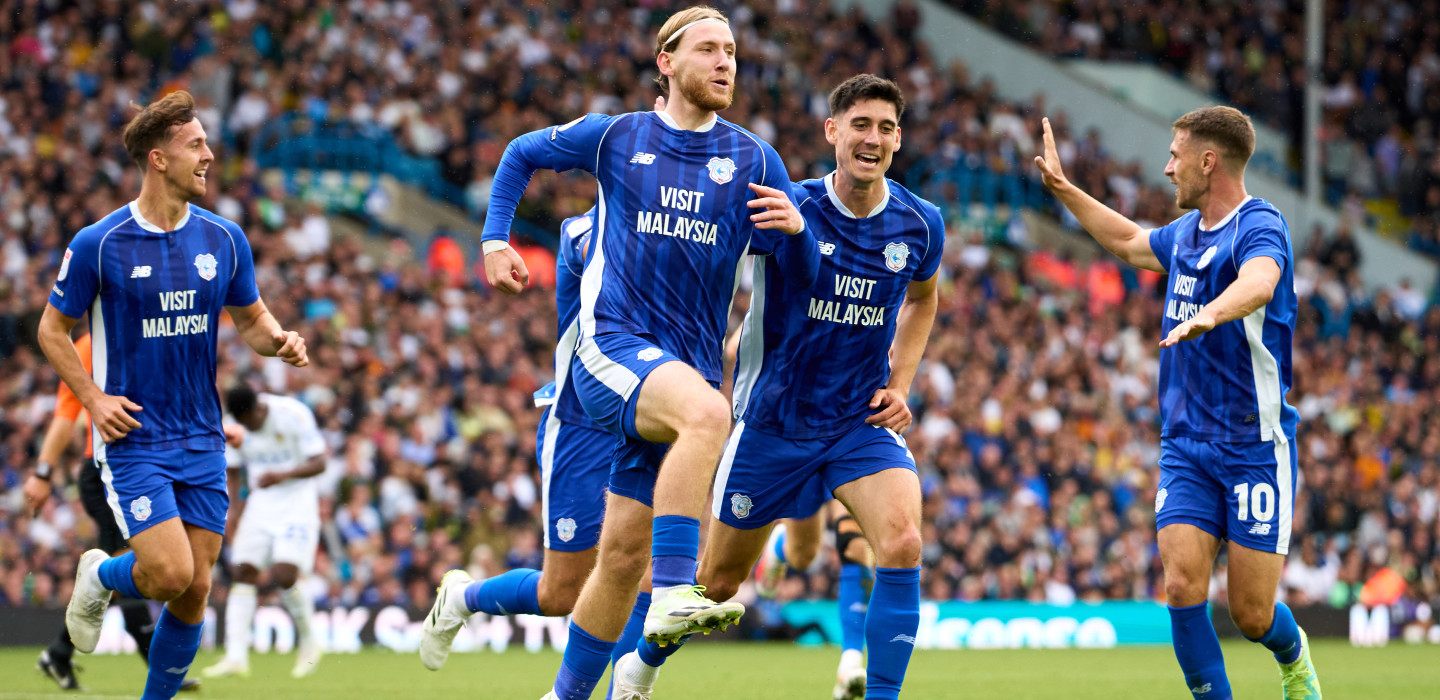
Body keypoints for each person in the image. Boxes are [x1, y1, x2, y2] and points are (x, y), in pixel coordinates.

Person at [419, 8, 819, 700]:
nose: (726, 62)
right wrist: (493, 238)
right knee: (706, 417)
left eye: (733, 51)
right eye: (708, 50)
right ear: (666, 61)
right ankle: (671, 594)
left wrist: (799, 236)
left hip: (680, 374)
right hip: (608, 357)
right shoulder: (617, 138)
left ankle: (567, 694)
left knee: (613, 561)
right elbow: (521, 154)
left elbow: (798, 280)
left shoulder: (755, 159)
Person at [607, 73, 942, 700]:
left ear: (899, 140)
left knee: (902, 543)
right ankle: (639, 668)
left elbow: (923, 298)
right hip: (770, 425)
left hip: (856, 422)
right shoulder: (788, 203)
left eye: (887, 127)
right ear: (832, 132)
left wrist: (902, 383)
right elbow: (702, 248)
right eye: (861, 125)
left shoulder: (920, 224)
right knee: (718, 580)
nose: (874, 138)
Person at [1034, 106, 1322, 700]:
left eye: (1175, 155)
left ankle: (1293, 658)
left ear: (1208, 161)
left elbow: (1261, 281)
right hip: (1186, 446)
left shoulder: (1259, 225)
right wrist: (1065, 191)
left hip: (1254, 447)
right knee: (1181, 586)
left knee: (1251, 616)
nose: (1168, 168)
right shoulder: (1184, 234)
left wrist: (1212, 312)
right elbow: (1129, 241)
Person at [38, 90, 308, 700]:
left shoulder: (225, 239)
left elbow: (253, 322)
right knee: (167, 573)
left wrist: (281, 340)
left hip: (203, 436)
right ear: (158, 159)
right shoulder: (99, 243)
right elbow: (51, 331)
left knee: (195, 588)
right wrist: (94, 398)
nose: (210, 156)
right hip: (133, 436)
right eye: (197, 145)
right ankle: (102, 576)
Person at [22, 332, 199, 692]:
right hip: (109, 470)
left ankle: (59, 654)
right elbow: (67, 410)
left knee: (119, 569)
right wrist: (42, 472)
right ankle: (157, 661)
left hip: (146, 466)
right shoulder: (91, 345)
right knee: (136, 562)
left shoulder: (156, 329)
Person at [202, 385, 326, 680]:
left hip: (297, 501)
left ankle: (310, 640)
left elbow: (320, 462)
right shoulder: (234, 426)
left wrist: (283, 475)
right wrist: (232, 509)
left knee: (285, 574)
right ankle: (235, 657)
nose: (247, 429)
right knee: (242, 570)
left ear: (258, 409)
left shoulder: (292, 414)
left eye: (250, 423)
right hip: (261, 502)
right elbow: (231, 469)